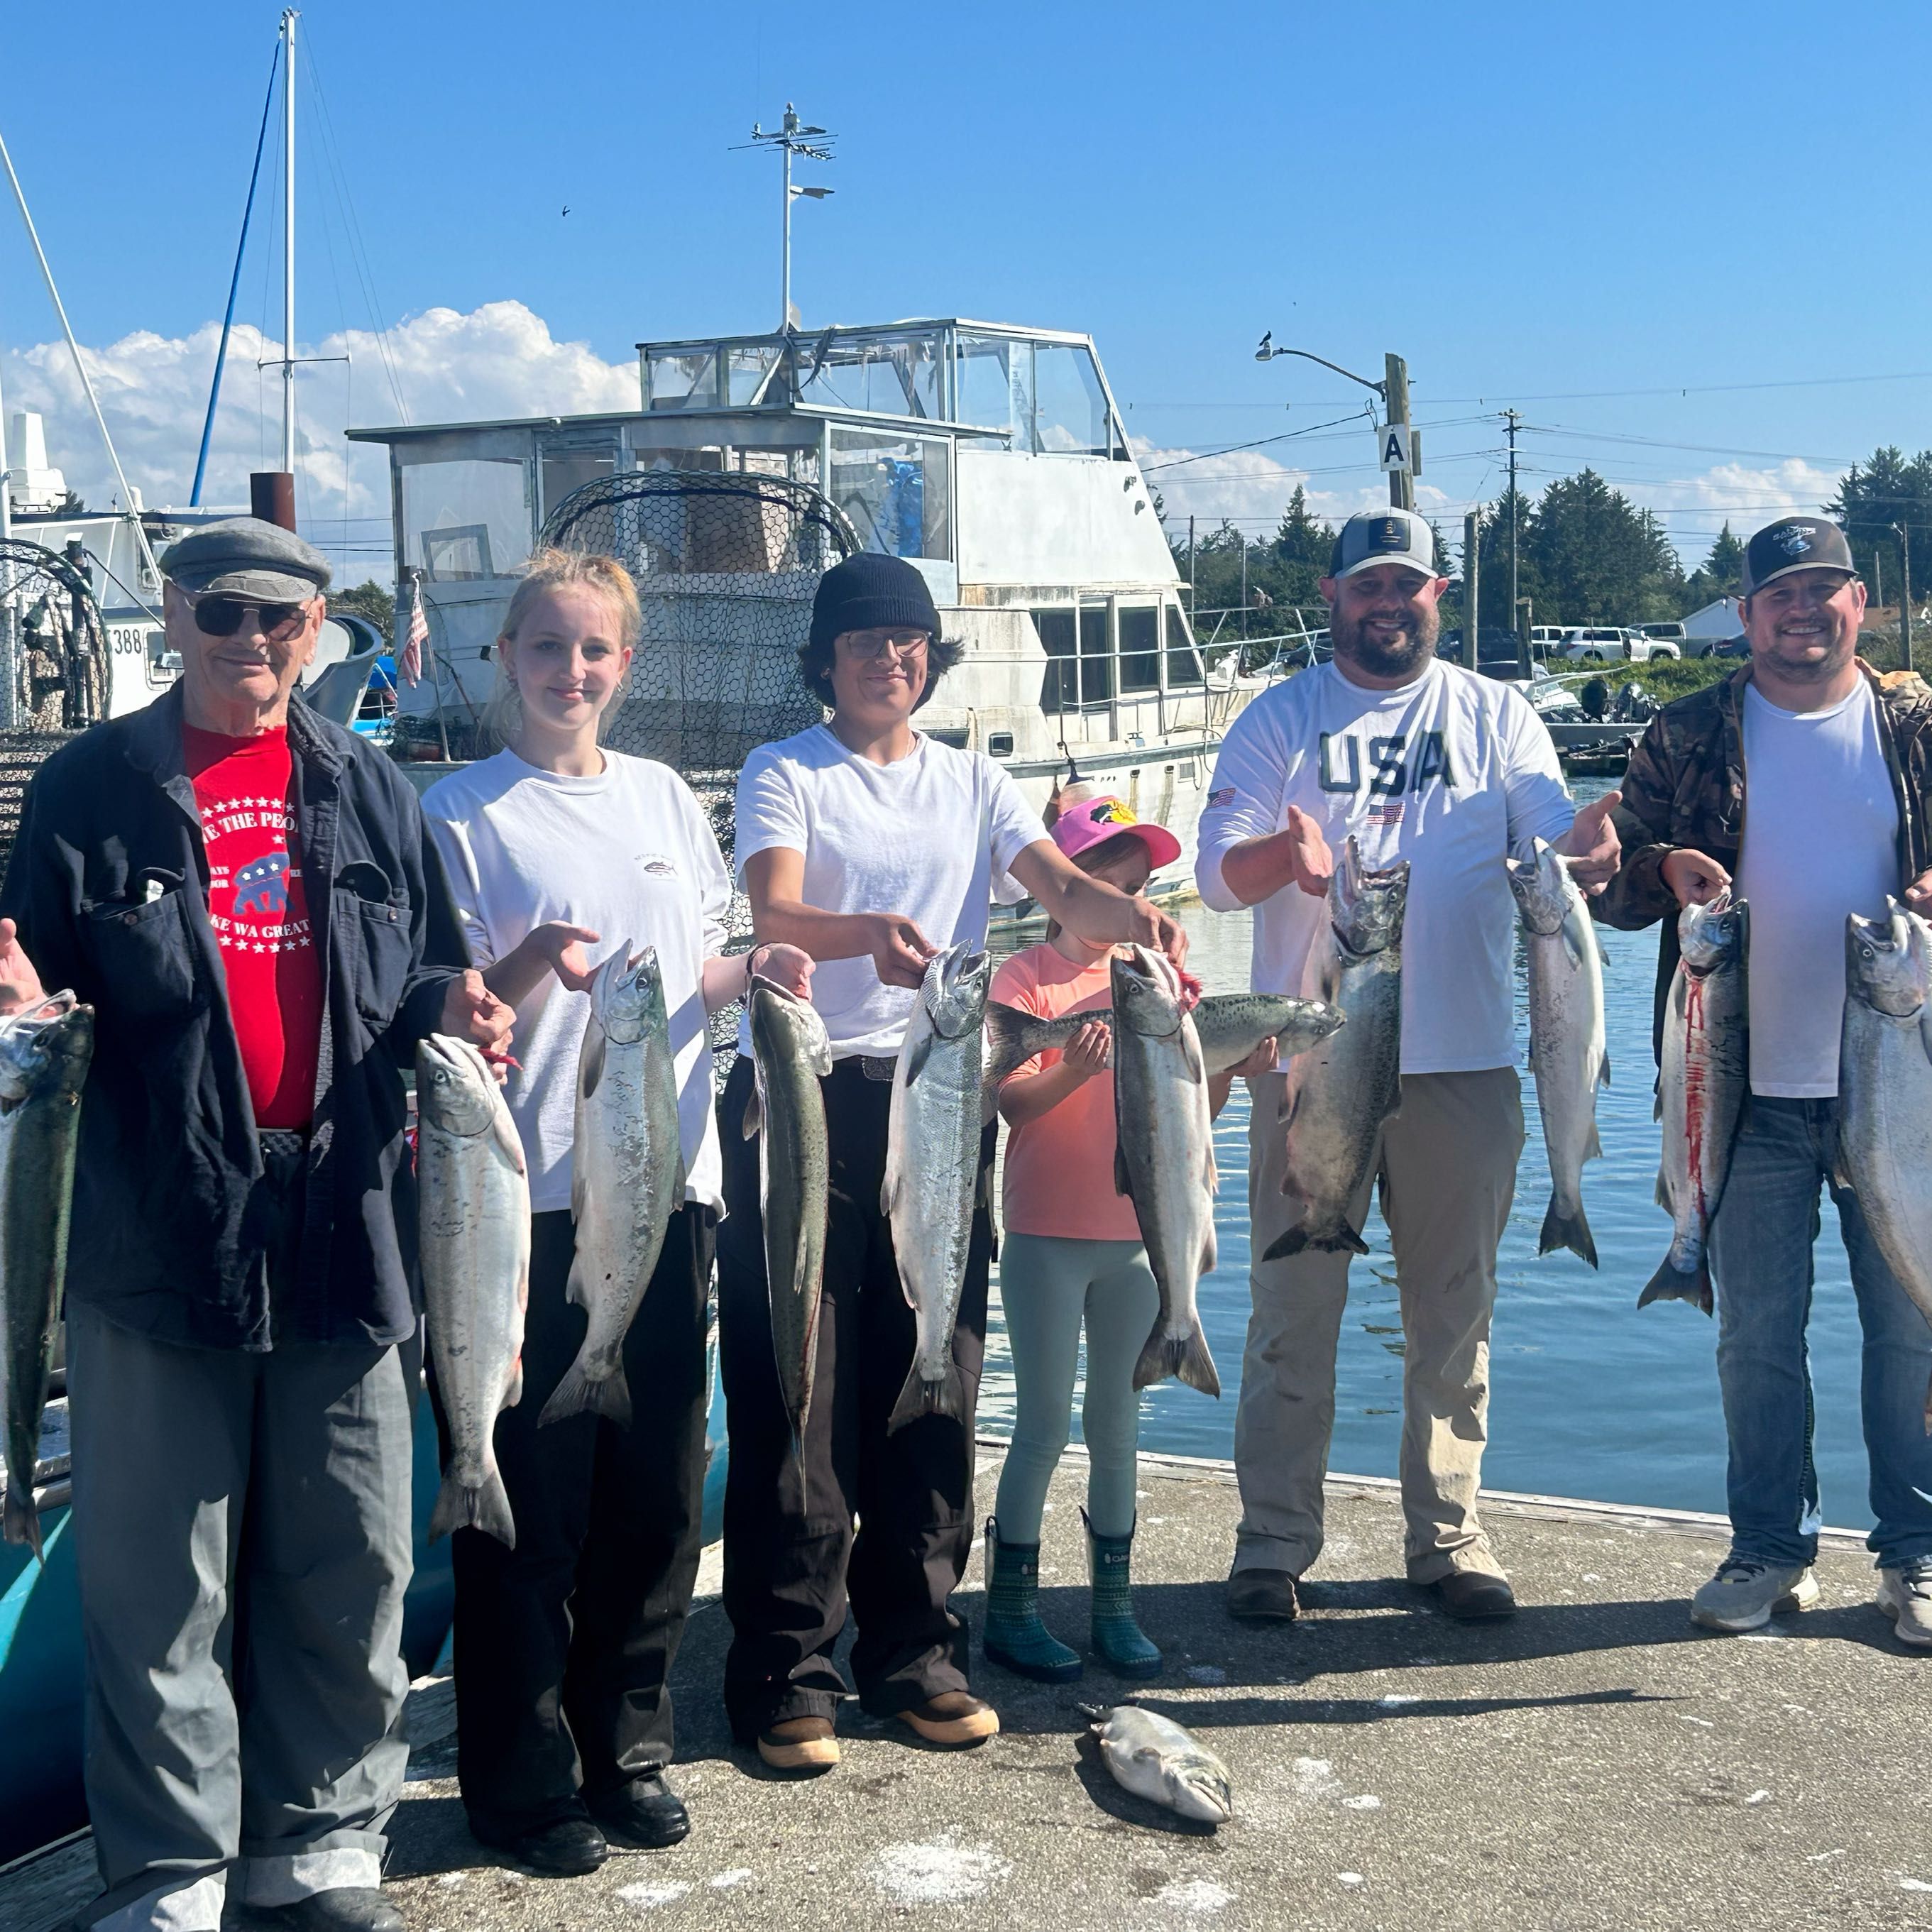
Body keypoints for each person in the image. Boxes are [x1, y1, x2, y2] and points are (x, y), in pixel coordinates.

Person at [0, 518, 510, 1932]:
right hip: (155, 1225)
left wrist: (451, 1007)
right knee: (158, 1570)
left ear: (315, 630)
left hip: (344, 1219)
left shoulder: (369, 783)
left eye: (282, 618)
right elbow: (27, 977)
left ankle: (321, 1835)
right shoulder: (89, 785)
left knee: (353, 1549)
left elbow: (423, 966)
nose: (253, 639)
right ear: (172, 611)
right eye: (224, 609)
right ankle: (170, 1862)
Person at [718, 551, 1189, 1772]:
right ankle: (786, 1666)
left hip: (941, 1098)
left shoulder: (975, 781)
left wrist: (1132, 919)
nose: (891, 656)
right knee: (801, 1378)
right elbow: (771, 912)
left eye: (910, 640)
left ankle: (916, 1647)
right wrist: (858, 935)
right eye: (867, 638)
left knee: (934, 1362)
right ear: (823, 658)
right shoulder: (785, 771)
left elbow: (1059, 888)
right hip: (813, 1093)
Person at [419, 550, 816, 1873]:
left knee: (653, 1502)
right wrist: (538, 963)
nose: (569, 672)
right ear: (506, 658)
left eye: (594, 651)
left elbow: (691, 967)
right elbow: (451, 1007)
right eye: (546, 647)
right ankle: (523, 1783)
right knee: (529, 1506)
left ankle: (623, 1745)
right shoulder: (462, 811)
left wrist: (753, 966)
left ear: (625, 664)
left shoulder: (663, 798)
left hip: (666, 1197)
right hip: (522, 1202)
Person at [1195, 507, 1620, 1628]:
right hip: (1312, 1061)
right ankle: (1272, 1540)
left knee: (1453, 1313)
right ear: (1332, 596)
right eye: (1366, 586)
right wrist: (1278, 855)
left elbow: (1551, 828)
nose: (1389, 604)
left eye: (1408, 585)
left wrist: (1586, 846)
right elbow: (1214, 878)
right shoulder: (1278, 717)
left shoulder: (1494, 711)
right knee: (1292, 1310)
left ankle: (1449, 1537)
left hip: (1467, 1062)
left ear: (1438, 593)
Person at [1596, 514, 1932, 1647]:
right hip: (1736, 1093)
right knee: (1753, 1333)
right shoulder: (1687, 728)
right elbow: (1612, 886)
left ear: (1859, 605)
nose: (1803, 611)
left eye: (1824, 590)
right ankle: (1767, 1546)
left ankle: (1915, 1550)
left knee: (1912, 1327)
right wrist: (1655, 866)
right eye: (1779, 594)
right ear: (1744, 614)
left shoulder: (1913, 724)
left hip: (1902, 1085)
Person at [981, 795, 1273, 1683]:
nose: (1132, 891)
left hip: (1142, 1242)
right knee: (1038, 1427)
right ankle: (1012, 1609)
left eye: (1141, 878)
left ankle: (1114, 1604)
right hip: (1043, 1235)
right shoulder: (1023, 978)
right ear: (1068, 881)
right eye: (1110, 872)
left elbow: (1194, 1116)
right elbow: (1008, 1102)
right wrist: (1072, 1066)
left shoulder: (1160, 982)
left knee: (1119, 1426)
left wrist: (1234, 1068)